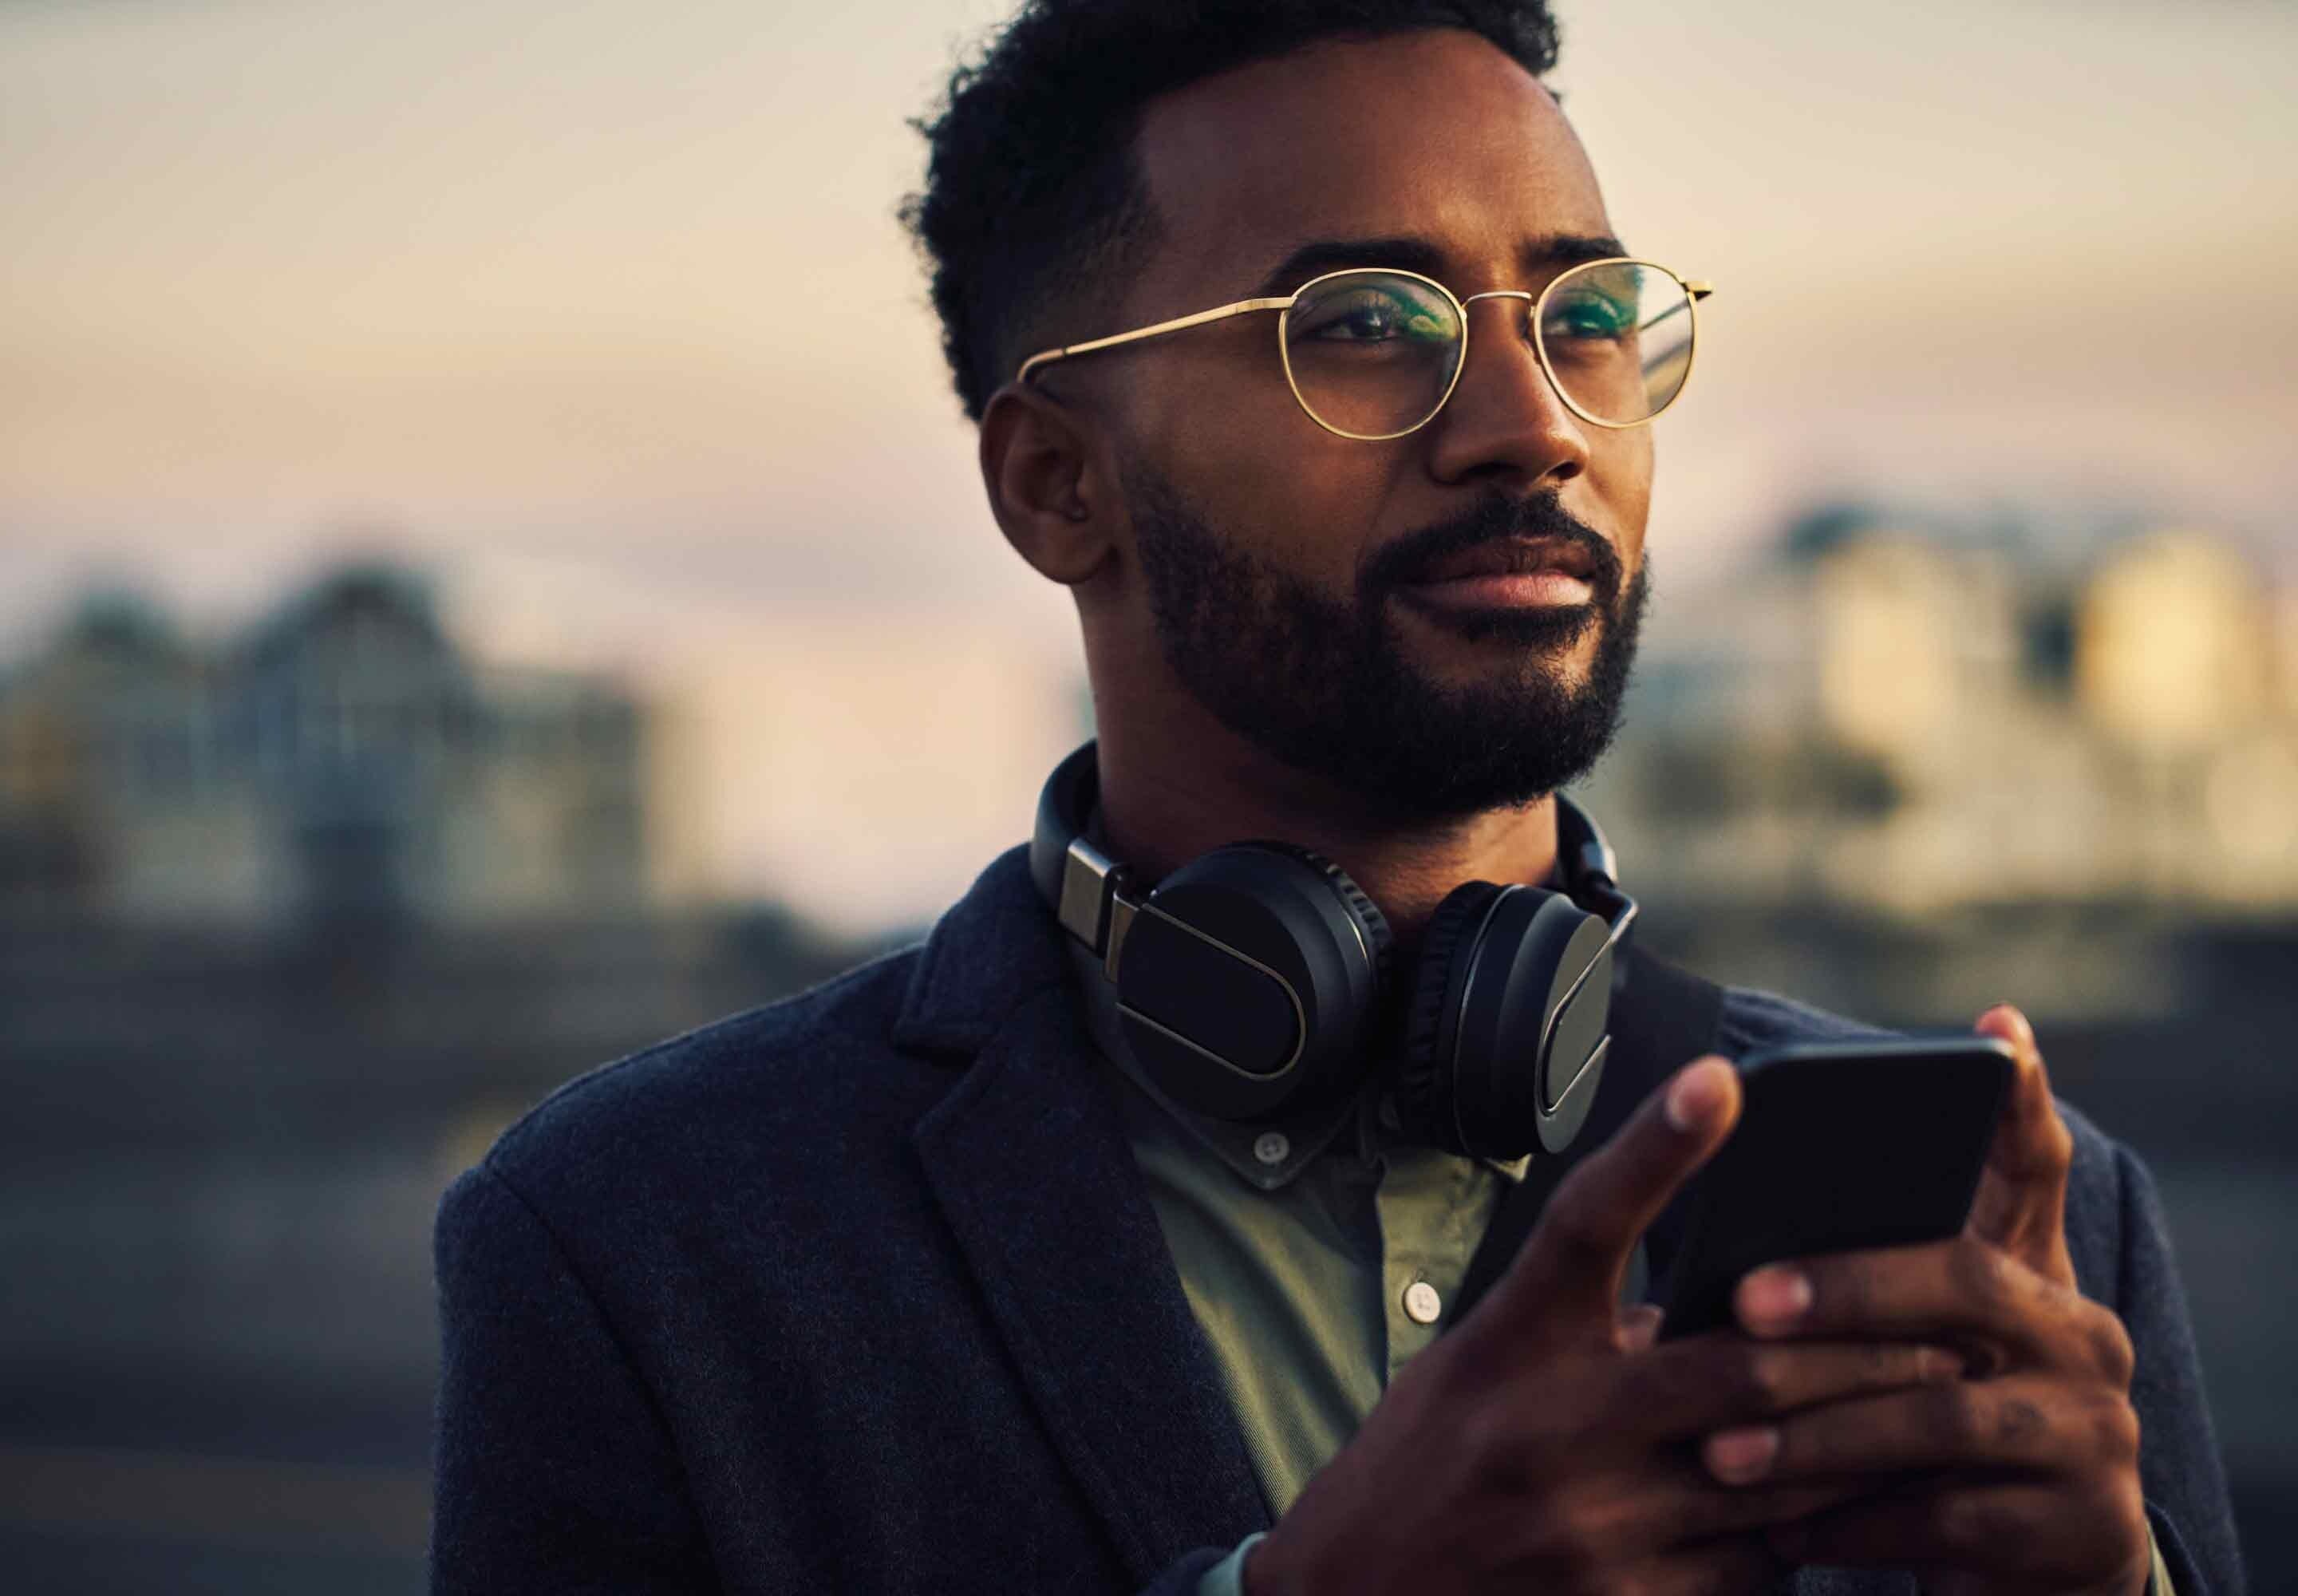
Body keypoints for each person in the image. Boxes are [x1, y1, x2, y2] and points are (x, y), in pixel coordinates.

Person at [428, 4, 2243, 1593]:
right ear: (1061, 484)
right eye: (1367, 322)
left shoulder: (2039, 1233)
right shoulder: (641, 1242)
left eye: (1588, 314)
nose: (1535, 421)